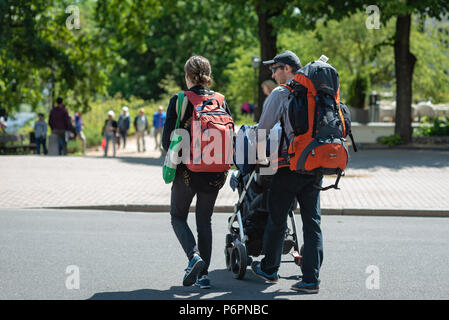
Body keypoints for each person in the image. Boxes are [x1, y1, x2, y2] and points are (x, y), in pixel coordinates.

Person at [250, 51, 323, 294]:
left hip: (290, 167)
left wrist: (258, 159)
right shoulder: (319, 92)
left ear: (289, 69)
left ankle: (270, 268)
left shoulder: (282, 93)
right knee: (312, 222)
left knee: (277, 217)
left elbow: (262, 129)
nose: (272, 73)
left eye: (275, 68)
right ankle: (311, 280)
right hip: (315, 165)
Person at [162, 55, 232, 289]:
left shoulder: (181, 100)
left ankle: (194, 257)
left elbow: (167, 141)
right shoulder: (220, 100)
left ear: (188, 76)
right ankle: (203, 277)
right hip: (216, 173)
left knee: (177, 216)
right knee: (205, 221)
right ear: (208, 75)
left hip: (187, 172)